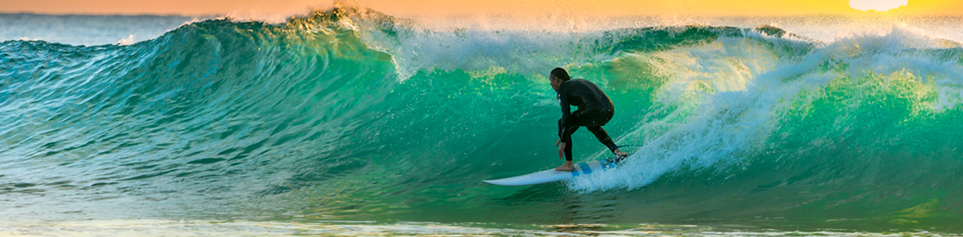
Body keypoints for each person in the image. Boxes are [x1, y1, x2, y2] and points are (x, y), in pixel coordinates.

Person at [549, 67, 627, 171]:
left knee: (561, 122)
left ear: (557, 80)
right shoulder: (576, 84)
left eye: (551, 80)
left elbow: (566, 116)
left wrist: (564, 139)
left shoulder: (562, 89)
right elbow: (579, 120)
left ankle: (568, 163)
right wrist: (565, 133)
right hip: (608, 109)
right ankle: (618, 152)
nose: (550, 84)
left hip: (595, 110)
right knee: (591, 126)